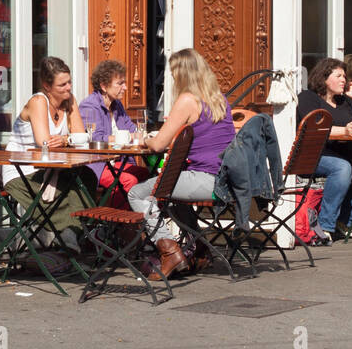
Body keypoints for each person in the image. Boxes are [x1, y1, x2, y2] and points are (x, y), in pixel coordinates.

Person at [128, 48, 236, 280]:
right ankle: (200, 248)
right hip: (225, 179)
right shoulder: (219, 98)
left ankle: (169, 252)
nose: (173, 78)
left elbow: (157, 146)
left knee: (137, 193)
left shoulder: (188, 100)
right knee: (174, 199)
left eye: (175, 73)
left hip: (205, 179)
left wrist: (143, 139)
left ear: (183, 74)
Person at [4, 57, 92, 247]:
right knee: (68, 190)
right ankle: (69, 237)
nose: (68, 88)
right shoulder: (38, 101)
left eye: (69, 82)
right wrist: (69, 141)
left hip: (52, 168)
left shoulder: (69, 101)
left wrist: (65, 140)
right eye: (62, 84)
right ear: (47, 85)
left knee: (87, 177)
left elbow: (81, 139)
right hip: (23, 171)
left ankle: (70, 233)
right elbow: (44, 142)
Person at [295, 57, 352, 242]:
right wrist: (343, 130)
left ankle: (344, 220)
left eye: (344, 76)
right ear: (323, 78)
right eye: (338, 75)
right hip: (312, 154)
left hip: (339, 153)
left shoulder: (343, 101)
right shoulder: (308, 97)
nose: (343, 79)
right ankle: (324, 226)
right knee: (342, 168)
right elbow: (313, 126)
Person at [78, 58, 150, 206]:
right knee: (129, 181)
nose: (125, 88)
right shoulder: (90, 106)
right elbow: (95, 140)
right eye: (120, 83)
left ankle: (135, 222)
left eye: (124, 82)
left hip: (117, 162)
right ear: (104, 86)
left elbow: (132, 129)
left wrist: (146, 136)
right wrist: (126, 137)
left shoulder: (117, 105)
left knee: (146, 175)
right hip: (96, 164)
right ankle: (113, 225)